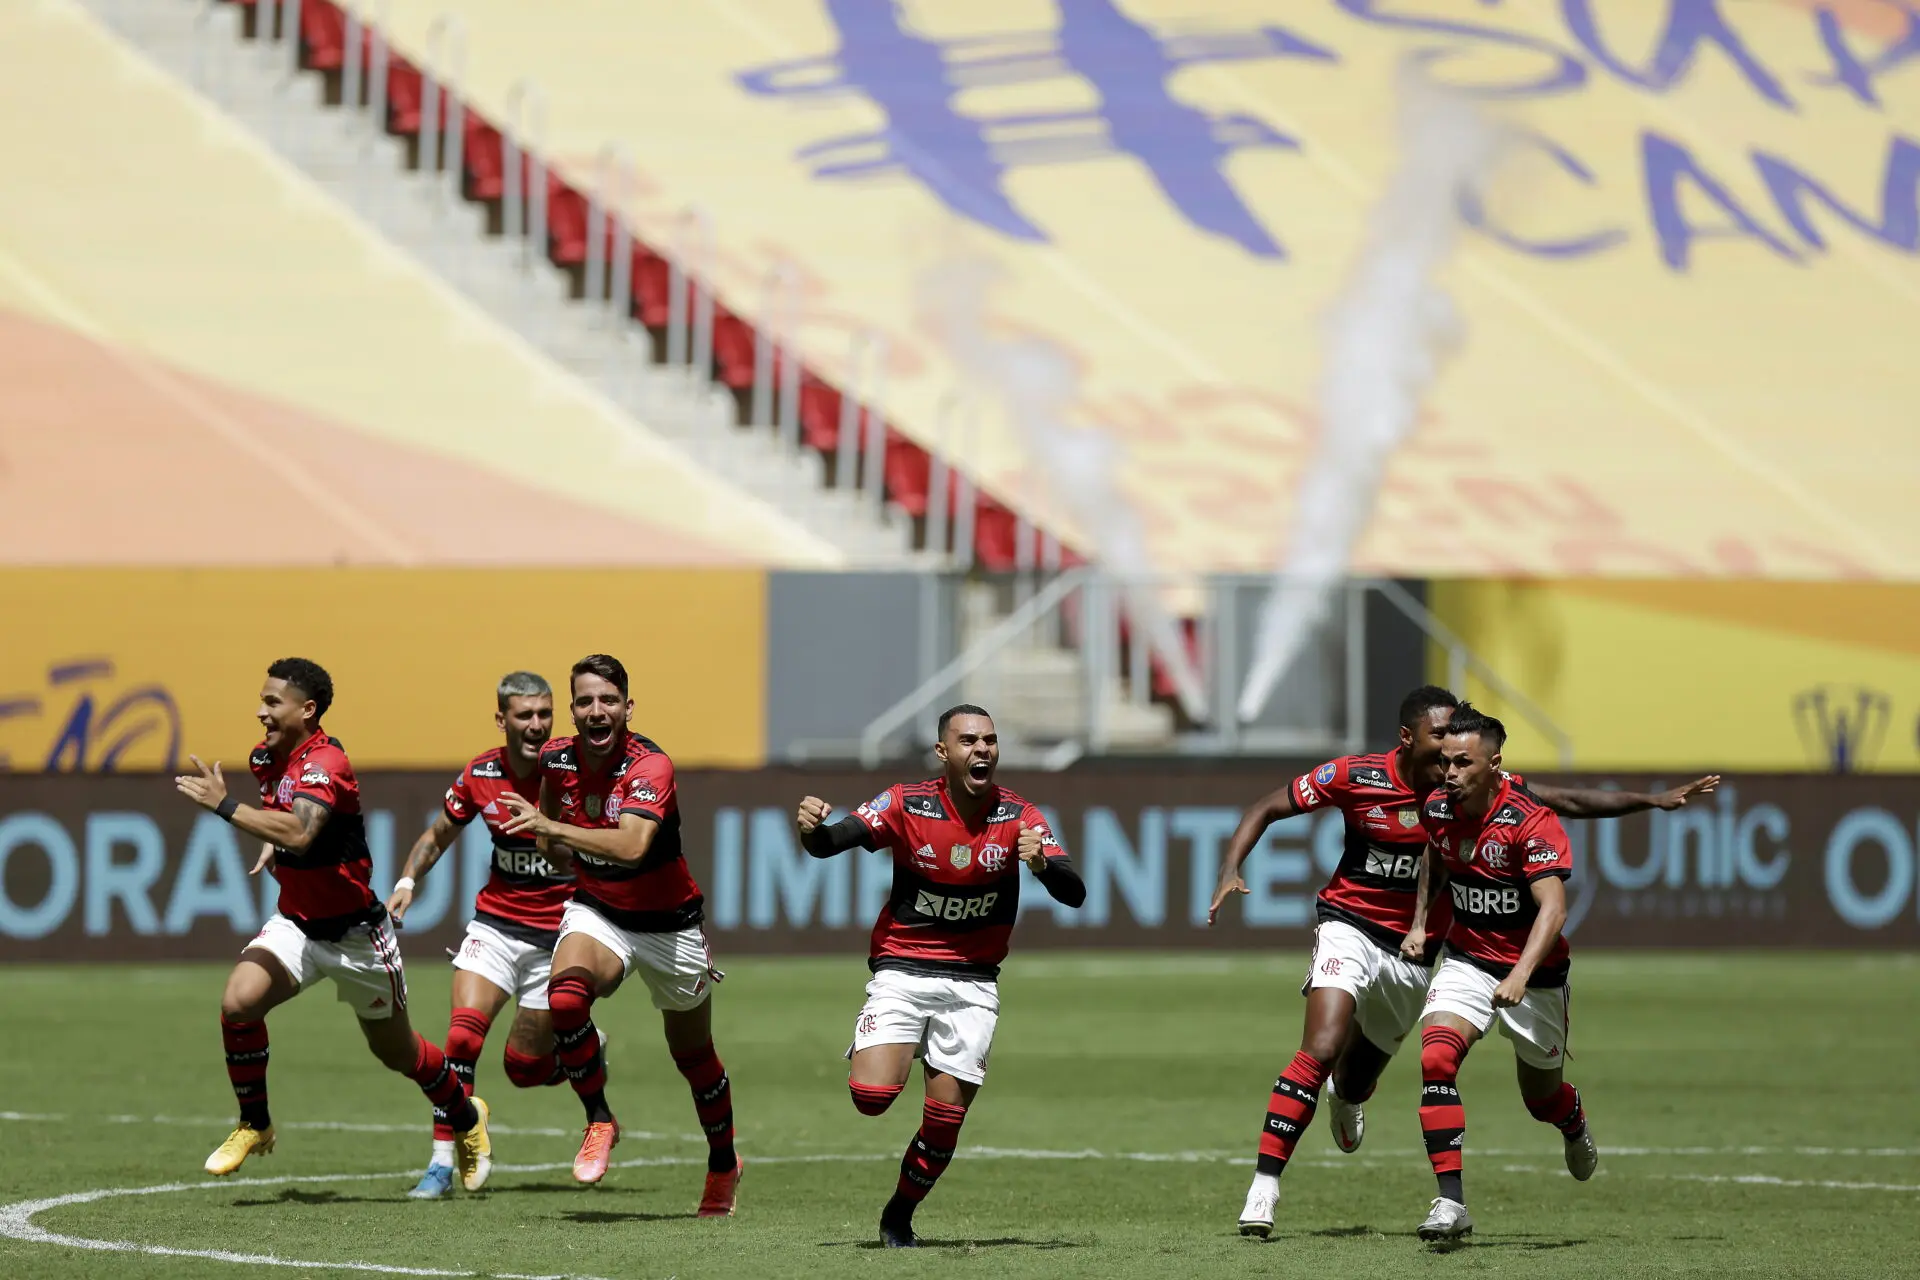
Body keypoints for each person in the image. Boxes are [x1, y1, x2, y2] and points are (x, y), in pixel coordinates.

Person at [1208, 685, 1716, 1236]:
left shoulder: (1493, 798)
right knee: (1353, 1050)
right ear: (1410, 739)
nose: (1451, 753)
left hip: (1459, 965)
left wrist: (1652, 801)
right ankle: (1277, 1189)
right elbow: (1275, 808)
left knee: (1504, 1094)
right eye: (1441, 740)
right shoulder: (1370, 780)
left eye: (1460, 746)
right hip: (1372, 933)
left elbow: (1565, 811)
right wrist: (1230, 869)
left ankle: (1548, 1117)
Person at [173, 657, 491, 1189]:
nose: (261, 712)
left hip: (356, 937)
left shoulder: (327, 761)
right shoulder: (265, 757)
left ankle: (466, 1117)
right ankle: (255, 1123)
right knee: (238, 1002)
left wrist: (227, 807)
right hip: (297, 924)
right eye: (262, 700)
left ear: (308, 709)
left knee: (398, 1052)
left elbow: (301, 831)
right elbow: (290, 827)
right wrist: (271, 843)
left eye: (273, 702)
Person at [794, 703, 1087, 1249]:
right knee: (871, 1096)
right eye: (970, 741)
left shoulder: (1020, 815)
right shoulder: (907, 802)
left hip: (973, 982)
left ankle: (898, 1216)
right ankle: (891, 1043)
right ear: (943, 752)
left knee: (944, 1121)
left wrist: (1043, 866)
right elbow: (833, 842)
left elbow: (1075, 892)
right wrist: (811, 832)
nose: (983, 750)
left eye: (991, 741)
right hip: (903, 967)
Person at [496, 653, 741, 1217]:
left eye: (608, 700)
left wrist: (554, 828)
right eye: (585, 701)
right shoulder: (557, 759)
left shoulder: (650, 765)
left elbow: (632, 846)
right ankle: (599, 1119)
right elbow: (549, 841)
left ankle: (724, 1163)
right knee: (565, 997)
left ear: (628, 708)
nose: (596, 710)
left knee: (693, 1056)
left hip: (670, 926)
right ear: (573, 709)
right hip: (600, 911)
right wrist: (548, 834)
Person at [1403, 704, 1593, 1241]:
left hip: (1535, 977)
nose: (1450, 773)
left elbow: (1554, 911)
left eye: (1463, 763)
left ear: (1494, 765)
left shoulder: (1530, 821)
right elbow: (1435, 860)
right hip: (1466, 959)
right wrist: (1420, 922)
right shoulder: (1439, 808)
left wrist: (1519, 974)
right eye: (1445, 762)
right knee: (1436, 1057)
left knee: (1541, 1100)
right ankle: (1449, 1203)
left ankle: (1571, 1116)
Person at [387, 671, 575, 1200]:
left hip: (559, 935)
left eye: (545, 714)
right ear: (502, 719)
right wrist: (406, 882)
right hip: (496, 924)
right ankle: (442, 1162)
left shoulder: (574, 769)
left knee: (525, 1067)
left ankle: (580, 1053)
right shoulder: (482, 773)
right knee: (462, 1038)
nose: (537, 725)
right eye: (525, 715)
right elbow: (437, 834)